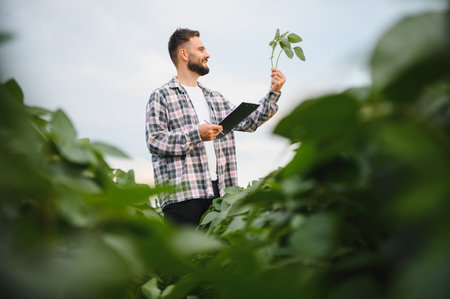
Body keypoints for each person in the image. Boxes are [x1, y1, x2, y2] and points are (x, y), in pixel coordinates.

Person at [145, 28, 286, 226]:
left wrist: (274, 92)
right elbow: (155, 140)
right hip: (183, 195)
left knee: (215, 256)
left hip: (220, 193)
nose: (207, 54)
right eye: (201, 49)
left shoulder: (214, 97)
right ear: (184, 54)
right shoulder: (162, 95)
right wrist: (196, 134)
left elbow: (249, 121)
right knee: (185, 256)